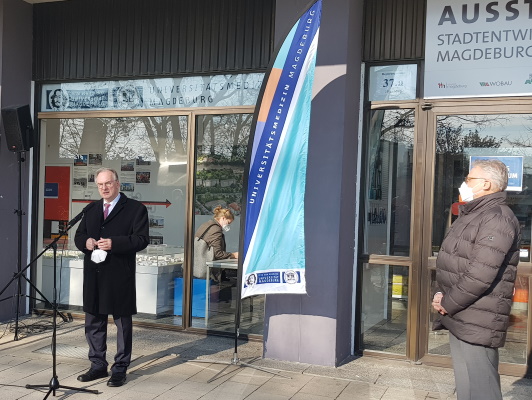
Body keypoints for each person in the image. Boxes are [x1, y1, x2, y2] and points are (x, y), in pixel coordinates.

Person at [432, 159, 520, 400]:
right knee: (466, 384)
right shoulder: (474, 212)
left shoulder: (497, 218)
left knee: (482, 388)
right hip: (460, 311)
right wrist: (440, 295)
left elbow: (480, 275)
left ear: (486, 184)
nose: (464, 183)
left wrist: (447, 303)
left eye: (469, 179)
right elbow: (453, 260)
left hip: (478, 316)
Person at [74, 167, 149, 387]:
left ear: (117, 184)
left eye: (108, 183)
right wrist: (85, 242)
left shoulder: (135, 209)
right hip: (95, 275)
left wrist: (115, 243)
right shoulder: (91, 209)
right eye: (100, 185)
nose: (104, 188)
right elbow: (80, 235)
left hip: (119, 275)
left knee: (122, 324)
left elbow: (142, 239)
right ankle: (97, 365)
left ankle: (120, 368)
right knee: (94, 322)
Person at [194, 206, 238, 279]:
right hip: (205, 270)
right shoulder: (216, 230)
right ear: (223, 218)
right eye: (228, 222)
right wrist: (234, 255)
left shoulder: (206, 225)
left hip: (194, 267)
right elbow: (217, 254)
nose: (228, 225)